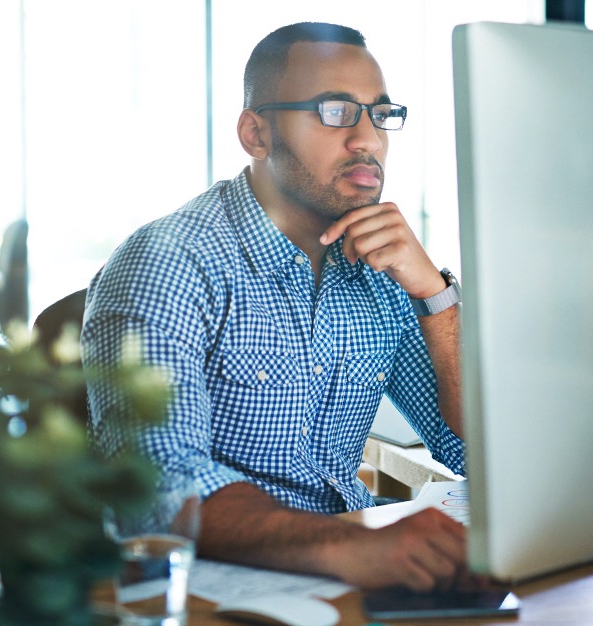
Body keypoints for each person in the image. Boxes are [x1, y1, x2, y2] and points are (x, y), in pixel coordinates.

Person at [82, 21, 466, 591]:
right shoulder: (168, 263)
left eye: (380, 114)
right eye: (336, 111)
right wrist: (351, 545)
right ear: (256, 133)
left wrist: (437, 297)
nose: (367, 140)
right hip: (206, 589)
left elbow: (474, 451)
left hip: (345, 576)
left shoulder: (384, 269)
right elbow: (160, 487)